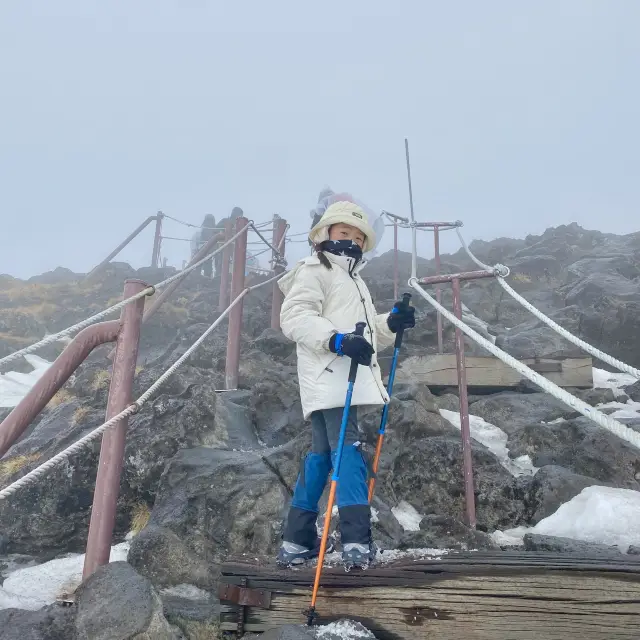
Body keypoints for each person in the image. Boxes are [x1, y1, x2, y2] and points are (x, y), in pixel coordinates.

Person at [276, 200, 416, 570]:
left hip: (339, 378)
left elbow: (366, 335)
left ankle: (297, 541)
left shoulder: (353, 279)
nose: (351, 239)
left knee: (322, 455)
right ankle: (356, 541)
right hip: (334, 378)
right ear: (324, 234)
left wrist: (391, 323)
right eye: (343, 232)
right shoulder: (314, 271)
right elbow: (294, 317)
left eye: (357, 235)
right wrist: (335, 340)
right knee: (348, 450)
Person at [214, 206, 243, 278]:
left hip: (234, 245)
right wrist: (223, 234)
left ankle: (233, 277)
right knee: (221, 261)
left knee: (234, 262)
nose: (241, 216)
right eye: (240, 214)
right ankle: (218, 277)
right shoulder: (225, 221)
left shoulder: (239, 224)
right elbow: (215, 230)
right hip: (223, 245)